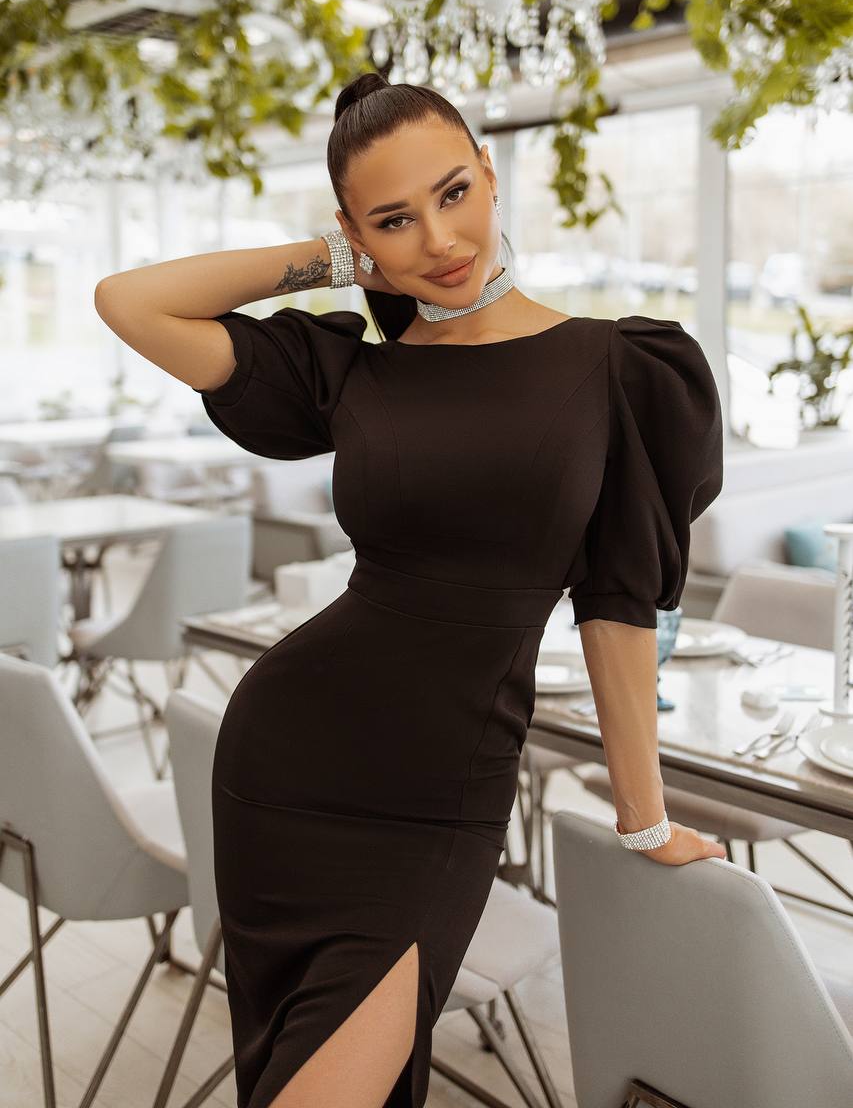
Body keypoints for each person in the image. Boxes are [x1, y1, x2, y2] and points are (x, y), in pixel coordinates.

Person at [94, 72, 727, 1108]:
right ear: (356, 233)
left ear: (489, 175)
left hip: (439, 802)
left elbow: (616, 605)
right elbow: (128, 301)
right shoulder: (356, 370)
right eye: (393, 220)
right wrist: (334, 261)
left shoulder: (621, 368)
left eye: (453, 193)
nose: (438, 239)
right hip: (287, 770)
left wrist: (642, 819)